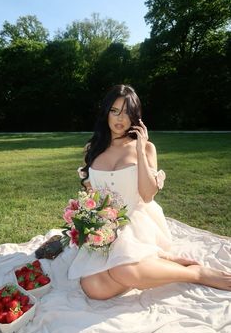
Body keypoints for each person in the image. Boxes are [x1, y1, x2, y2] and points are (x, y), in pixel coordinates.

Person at [68, 84, 231, 300]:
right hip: (105, 226)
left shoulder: (146, 148)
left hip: (136, 221)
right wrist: (88, 222)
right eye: (114, 110)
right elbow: (91, 194)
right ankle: (155, 264)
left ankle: (195, 273)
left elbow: (147, 195)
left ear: (135, 116)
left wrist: (139, 149)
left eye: (127, 112)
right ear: (106, 113)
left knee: (121, 270)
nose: (120, 118)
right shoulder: (93, 148)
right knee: (94, 288)